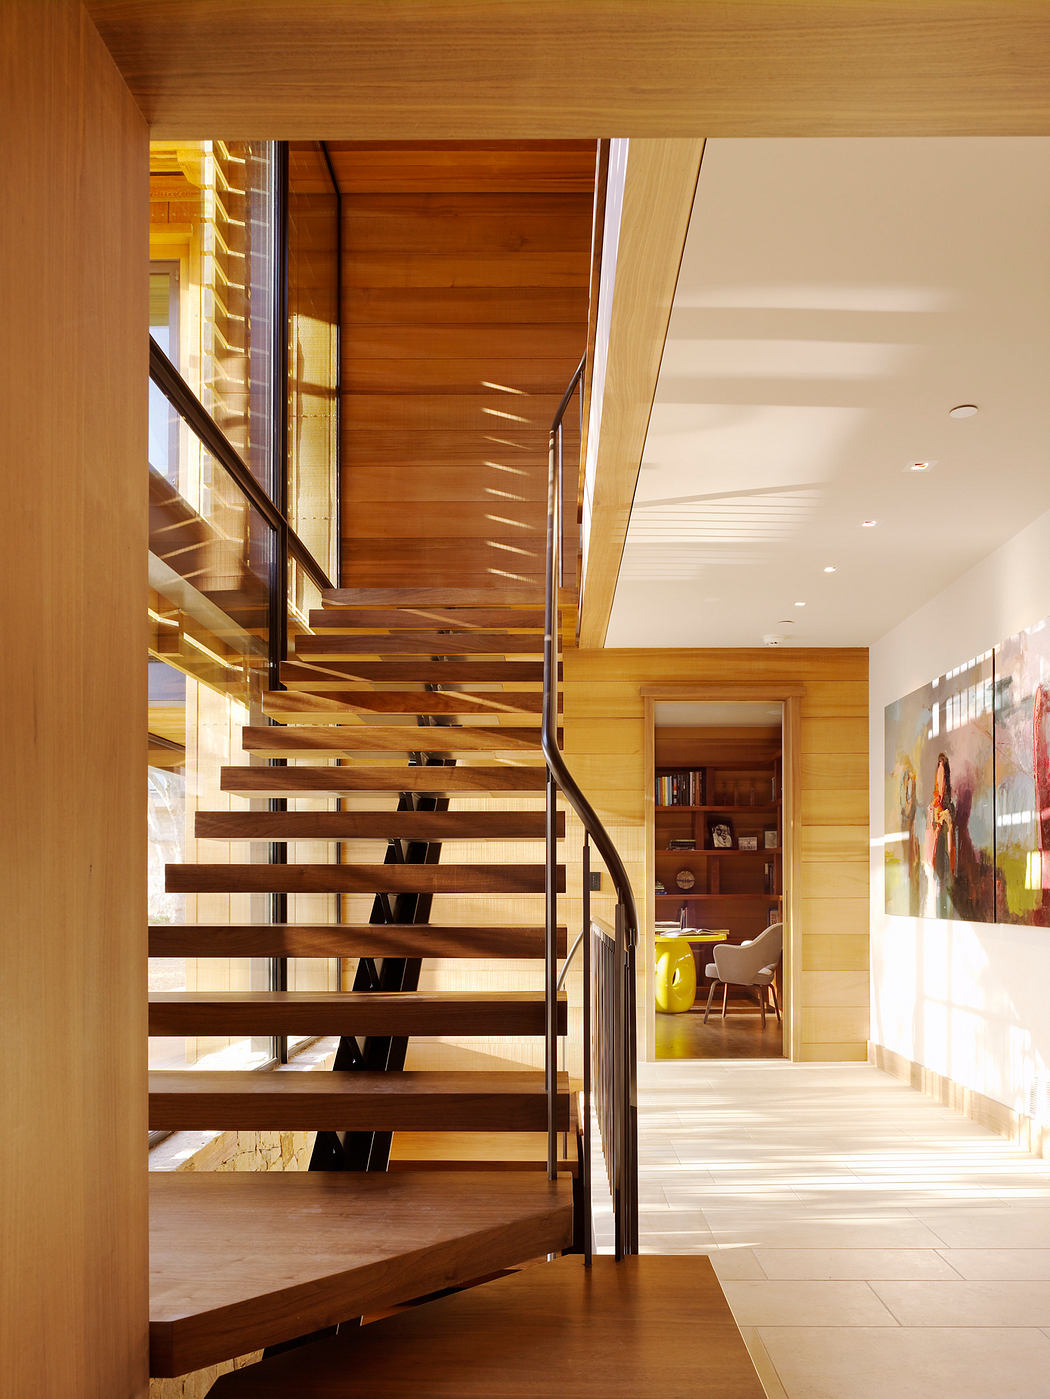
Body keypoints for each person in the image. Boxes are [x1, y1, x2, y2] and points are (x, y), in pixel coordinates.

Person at [922, 751, 957, 918]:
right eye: (939, 776)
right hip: (933, 865)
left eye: (943, 777)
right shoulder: (932, 806)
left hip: (946, 866)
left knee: (944, 898)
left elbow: (953, 845)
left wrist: (949, 824)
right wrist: (934, 823)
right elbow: (928, 838)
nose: (940, 781)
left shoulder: (950, 807)